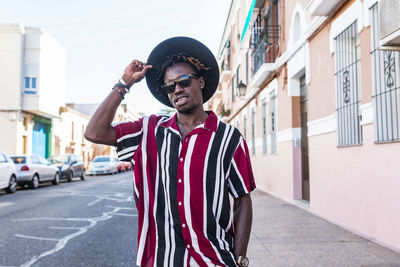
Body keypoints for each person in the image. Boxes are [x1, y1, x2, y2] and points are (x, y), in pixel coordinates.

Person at [85, 37, 256, 267]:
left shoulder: (229, 138)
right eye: (169, 86)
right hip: (160, 260)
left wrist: (240, 258)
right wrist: (124, 83)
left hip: (214, 260)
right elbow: (94, 132)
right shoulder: (147, 131)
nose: (177, 89)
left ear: (201, 82)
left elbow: (242, 199)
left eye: (183, 80)